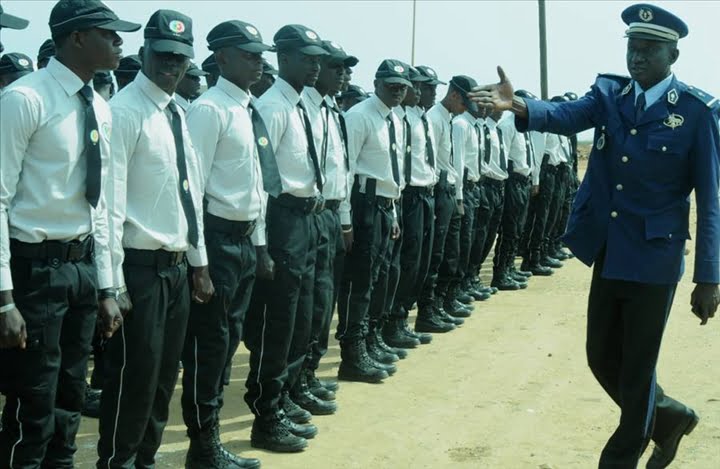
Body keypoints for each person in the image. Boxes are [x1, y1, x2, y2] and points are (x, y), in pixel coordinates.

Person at [470, 3, 720, 468]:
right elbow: (566, 115)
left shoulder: (696, 112)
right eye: (633, 47)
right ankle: (668, 419)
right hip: (608, 251)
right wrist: (519, 105)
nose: (638, 56)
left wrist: (709, 276)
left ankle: (620, 458)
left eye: (649, 49)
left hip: (655, 259)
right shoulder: (610, 95)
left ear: (674, 54)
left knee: (638, 370)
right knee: (601, 358)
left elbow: (710, 200)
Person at [0, 1, 139, 467]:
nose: (119, 42)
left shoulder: (98, 105)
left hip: (80, 266)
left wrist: (105, 284)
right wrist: (4, 298)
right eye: (109, 33)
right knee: (33, 400)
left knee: (71, 392)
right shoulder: (25, 99)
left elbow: (98, 205)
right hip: (35, 268)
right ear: (77, 38)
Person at [97, 10, 213, 468]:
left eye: (180, 58)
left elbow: (191, 196)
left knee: (165, 378)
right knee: (134, 380)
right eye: (163, 55)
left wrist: (199, 263)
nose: (172, 65)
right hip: (138, 270)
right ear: (144, 52)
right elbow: (107, 207)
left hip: (177, 270)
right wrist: (112, 285)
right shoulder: (123, 113)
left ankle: (145, 459)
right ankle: (120, 462)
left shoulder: (179, 115)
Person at [180, 19, 273, 469]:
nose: (259, 61)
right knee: (209, 347)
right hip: (214, 244)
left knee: (229, 340)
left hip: (242, 242)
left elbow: (255, 186)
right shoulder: (210, 110)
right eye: (249, 54)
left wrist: (259, 245)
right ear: (221, 58)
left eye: (260, 54)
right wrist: (199, 263)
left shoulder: (247, 108)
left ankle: (209, 442)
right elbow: (193, 191)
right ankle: (203, 445)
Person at [243, 23, 327, 453]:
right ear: (283, 59)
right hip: (282, 221)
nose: (315, 66)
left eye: (317, 59)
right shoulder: (272, 108)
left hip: (307, 218)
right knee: (278, 321)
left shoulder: (298, 106)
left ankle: (288, 392)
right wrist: (262, 242)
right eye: (306, 58)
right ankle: (266, 412)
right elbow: (261, 181)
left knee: (302, 316)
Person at [335, 59, 409, 382]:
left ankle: (369, 340)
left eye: (402, 86)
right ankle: (352, 353)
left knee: (378, 280)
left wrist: (392, 211)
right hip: (362, 206)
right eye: (391, 84)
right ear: (376, 82)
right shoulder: (360, 117)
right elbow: (346, 171)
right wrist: (345, 220)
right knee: (359, 283)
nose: (397, 90)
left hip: (384, 205)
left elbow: (390, 172)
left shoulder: (394, 118)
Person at [300, 39, 356, 403]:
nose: (342, 75)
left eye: (344, 69)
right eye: (336, 68)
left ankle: (307, 375)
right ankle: (294, 383)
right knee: (304, 306)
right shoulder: (294, 108)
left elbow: (342, 172)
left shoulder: (330, 111)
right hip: (302, 216)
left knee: (323, 303)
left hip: (331, 216)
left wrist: (345, 220)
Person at [383, 66, 437, 349]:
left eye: (423, 87)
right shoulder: (397, 119)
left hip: (425, 194)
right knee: (403, 263)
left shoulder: (420, 119)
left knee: (420, 262)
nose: (419, 91)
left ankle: (402, 318)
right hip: (406, 196)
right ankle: (392, 323)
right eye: (417, 86)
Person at [415, 75, 469, 334]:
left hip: (447, 190)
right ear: (456, 95)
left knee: (448, 252)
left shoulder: (446, 118)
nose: (466, 109)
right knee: (435, 254)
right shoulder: (435, 119)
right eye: (465, 102)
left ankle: (437, 304)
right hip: (437, 189)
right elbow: (431, 161)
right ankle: (426, 310)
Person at [493, 109, 535, 288]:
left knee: (518, 227)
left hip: (523, 181)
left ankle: (510, 267)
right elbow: (504, 156)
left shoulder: (523, 126)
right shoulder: (507, 126)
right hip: (512, 180)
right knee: (509, 228)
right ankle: (501, 273)